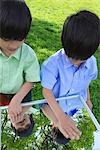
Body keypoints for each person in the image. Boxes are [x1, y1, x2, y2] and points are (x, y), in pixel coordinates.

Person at [41, 10, 100, 144]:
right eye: (72, 57)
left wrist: (88, 100)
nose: (77, 62)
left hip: (77, 103)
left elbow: (86, 82)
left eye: (82, 59)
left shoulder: (91, 62)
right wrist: (59, 117)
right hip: (56, 106)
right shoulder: (52, 64)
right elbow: (46, 91)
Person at [0, 0, 40, 135]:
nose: (13, 46)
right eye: (6, 40)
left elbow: (31, 79)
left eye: (20, 40)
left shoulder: (28, 54)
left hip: (21, 92)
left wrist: (17, 99)